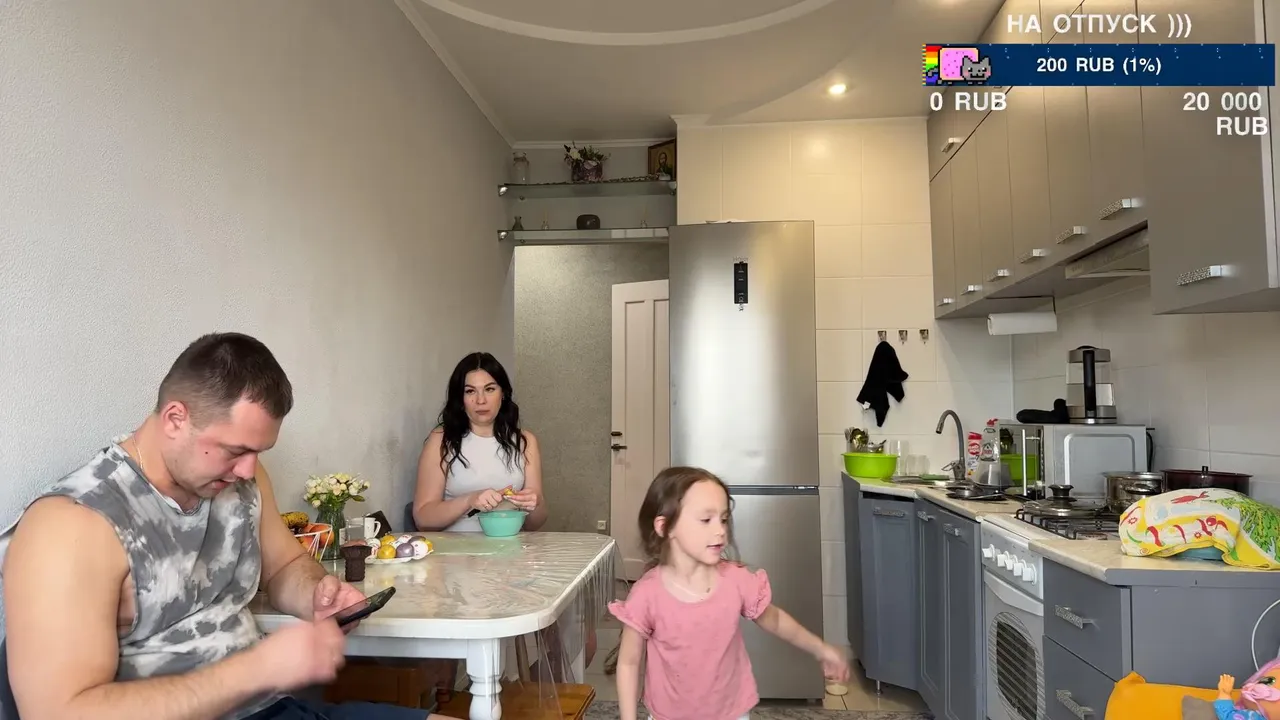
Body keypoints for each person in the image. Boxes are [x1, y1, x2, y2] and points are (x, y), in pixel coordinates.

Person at [0, 332, 458, 720]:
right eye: (235, 451)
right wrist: (256, 671)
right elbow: (58, 712)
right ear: (175, 419)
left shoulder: (241, 482)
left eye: (258, 452)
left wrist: (317, 594)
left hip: (271, 709)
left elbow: (285, 568)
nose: (248, 470)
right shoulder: (73, 524)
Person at [608, 466, 850, 720]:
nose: (720, 530)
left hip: (732, 713)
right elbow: (629, 663)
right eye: (706, 520)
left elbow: (775, 620)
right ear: (665, 527)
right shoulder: (647, 595)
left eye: (723, 519)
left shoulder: (735, 580)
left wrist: (821, 649)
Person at [411, 352, 545, 532]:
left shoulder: (525, 442)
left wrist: (534, 503)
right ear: (460, 399)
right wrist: (469, 500)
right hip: (456, 547)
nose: (481, 400)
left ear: (503, 393)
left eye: (490, 389)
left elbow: (535, 524)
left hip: (510, 546)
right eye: (470, 391)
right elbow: (423, 518)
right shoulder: (441, 440)